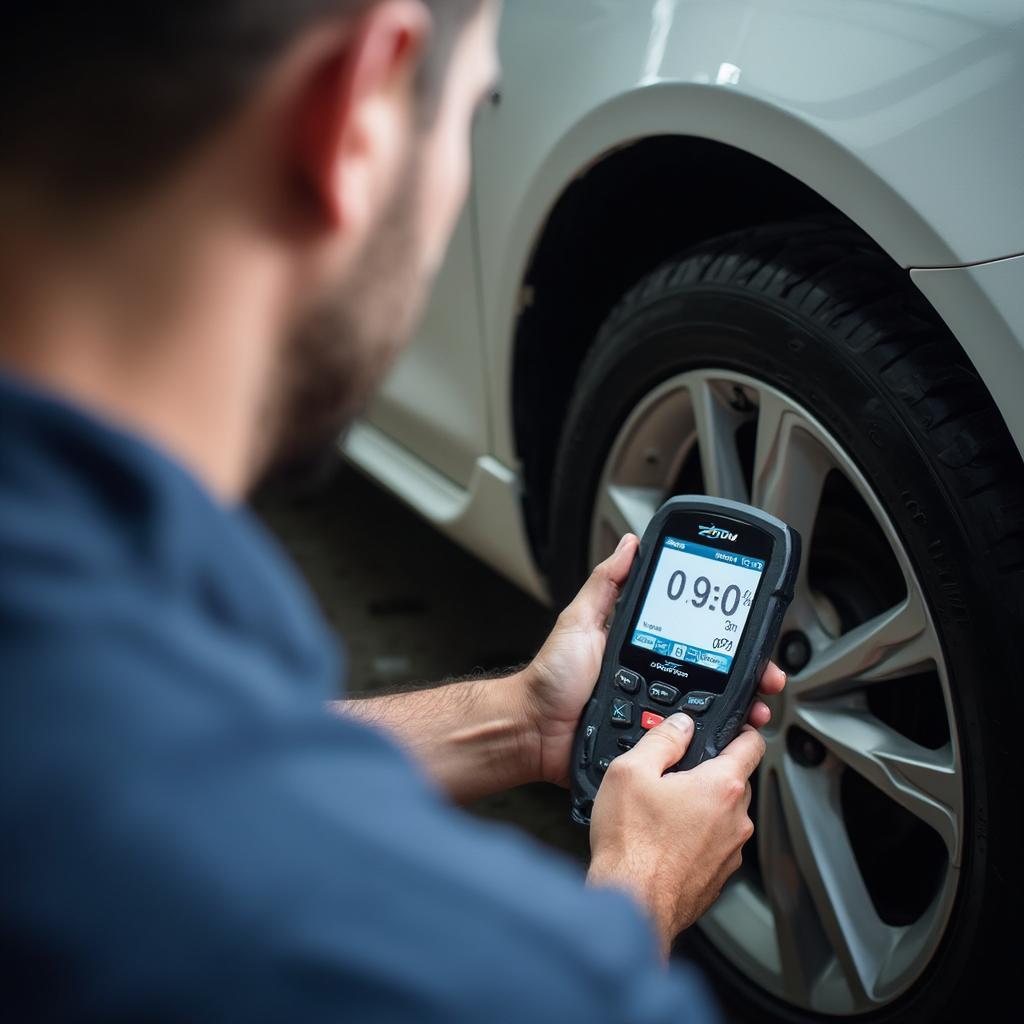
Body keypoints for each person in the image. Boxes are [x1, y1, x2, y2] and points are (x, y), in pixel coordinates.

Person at [0, 2, 786, 1020]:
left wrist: (518, 722)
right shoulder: (468, 974)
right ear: (357, 109)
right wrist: (637, 896)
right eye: (473, 109)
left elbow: (153, 764)